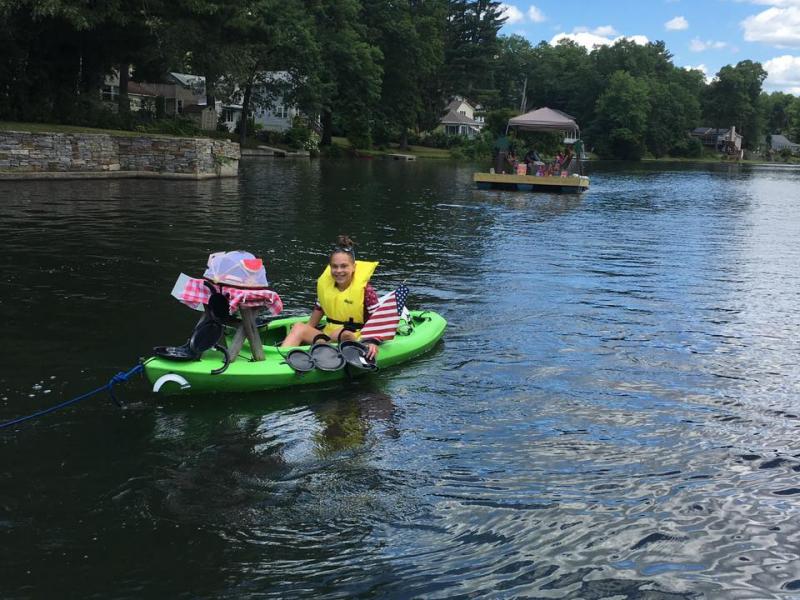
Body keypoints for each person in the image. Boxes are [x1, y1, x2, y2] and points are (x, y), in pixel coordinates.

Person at [281, 235, 379, 360]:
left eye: (344, 266)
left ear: (353, 267)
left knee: (346, 334)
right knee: (298, 327)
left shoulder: (366, 291)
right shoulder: (325, 287)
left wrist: (373, 341)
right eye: (334, 266)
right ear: (330, 267)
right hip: (328, 336)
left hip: (355, 336)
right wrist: (302, 335)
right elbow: (311, 323)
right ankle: (281, 359)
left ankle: (323, 354)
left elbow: (378, 320)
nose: (339, 271)